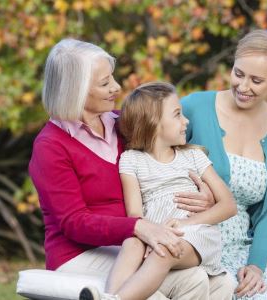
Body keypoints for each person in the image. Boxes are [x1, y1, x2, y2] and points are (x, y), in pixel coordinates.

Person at [29, 39, 234, 300]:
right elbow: (73, 222)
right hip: (81, 254)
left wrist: (202, 194)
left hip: (135, 243)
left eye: (112, 78)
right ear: (75, 90)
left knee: (216, 283)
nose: (116, 87)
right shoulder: (51, 146)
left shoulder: (122, 124)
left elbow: (167, 160)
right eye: (104, 83)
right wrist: (138, 228)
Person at [179, 30, 267, 299]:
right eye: (238, 74)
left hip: (242, 247)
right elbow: (150, 155)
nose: (243, 87)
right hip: (195, 241)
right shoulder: (195, 106)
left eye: (256, 80)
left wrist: (255, 265)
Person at [88, 82, 236, 300]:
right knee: (132, 241)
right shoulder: (131, 160)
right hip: (156, 234)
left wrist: (183, 225)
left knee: (165, 250)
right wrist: (150, 236)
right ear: (153, 122)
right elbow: (135, 215)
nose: (186, 121)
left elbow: (228, 205)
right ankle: (109, 296)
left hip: (196, 235)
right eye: (177, 114)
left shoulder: (194, 157)